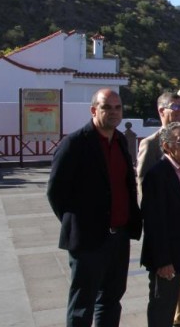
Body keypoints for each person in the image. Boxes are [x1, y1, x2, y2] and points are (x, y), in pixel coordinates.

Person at [46, 88, 142, 327]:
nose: (113, 112)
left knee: (111, 300)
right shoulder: (75, 144)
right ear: (93, 110)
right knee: (82, 305)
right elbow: (55, 192)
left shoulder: (120, 141)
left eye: (117, 107)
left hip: (118, 238)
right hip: (88, 240)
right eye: (106, 107)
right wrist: (77, 223)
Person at [136, 92, 180, 327]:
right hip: (166, 247)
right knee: (162, 305)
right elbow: (152, 213)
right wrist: (162, 258)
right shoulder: (156, 167)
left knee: (177, 294)